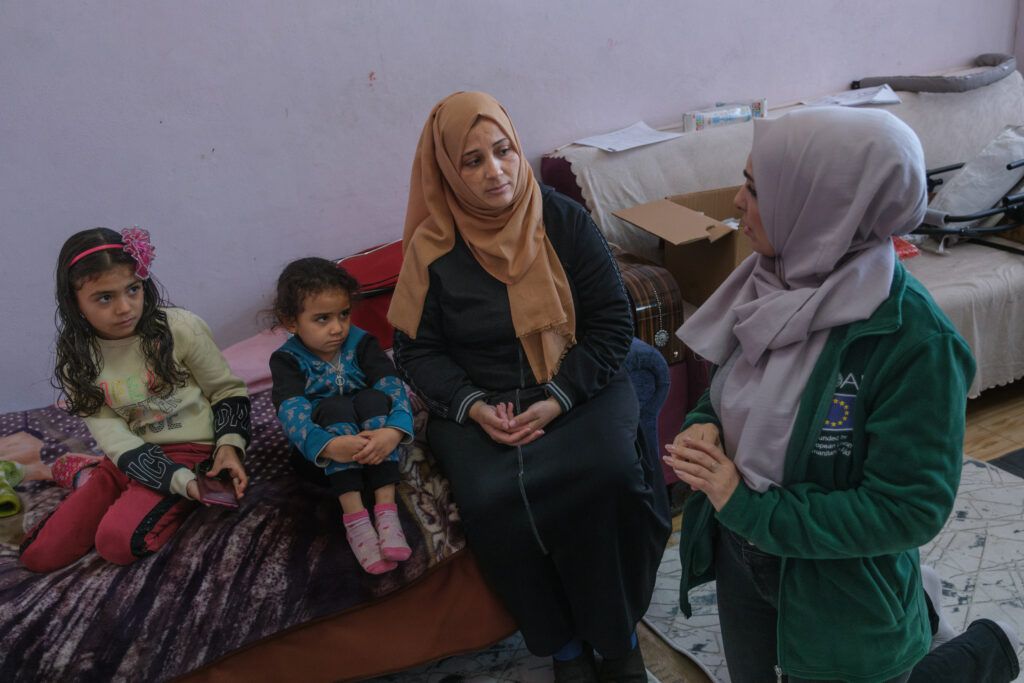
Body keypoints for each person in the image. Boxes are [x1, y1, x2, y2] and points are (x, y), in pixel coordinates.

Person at [663, 106, 1016, 682]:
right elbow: (733, 392)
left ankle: (981, 656)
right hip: (743, 554)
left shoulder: (916, 342)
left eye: (755, 187)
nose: (736, 201)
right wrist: (704, 422)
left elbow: (909, 509)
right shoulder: (768, 281)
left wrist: (751, 507)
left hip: (839, 589)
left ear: (822, 205)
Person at [389, 91, 670, 682]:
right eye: (472, 161)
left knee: (612, 476)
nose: (495, 172)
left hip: (575, 385)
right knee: (494, 500)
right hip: (482, 405)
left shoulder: (563, 220)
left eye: (504, 151)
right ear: (447, 170)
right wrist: (471, 406)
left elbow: (613, 324)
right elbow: (416, 349)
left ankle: (617, 639)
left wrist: (558, 398)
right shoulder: (432, 249)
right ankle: (564, 647)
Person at [20, 227, 251, 572]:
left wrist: (228, 448)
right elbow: (112, 435)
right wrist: (175, 483)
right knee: (38, 556)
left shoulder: (180, 328)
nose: (125, 308)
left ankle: (160, 495)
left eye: (133, 289)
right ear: (75, 302)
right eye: (104, 297)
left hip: (192, 450)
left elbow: (227, 391)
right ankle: (91, 474)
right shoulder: (77, 360)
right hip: (126, 456)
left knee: (116, 543)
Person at [269, 257, 414, 575]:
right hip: (322, 456)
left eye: (344, 315)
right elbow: (292, 412)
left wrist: (392, 432)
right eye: (322, 319)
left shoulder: (362, 343)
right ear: (291, 321)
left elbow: (392, 387)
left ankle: (386, 511)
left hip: (376, 445)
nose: (337, 328)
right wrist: (330, 446)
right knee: (334, 407)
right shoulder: (287, 360)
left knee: (374, 397)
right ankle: (357, 522)